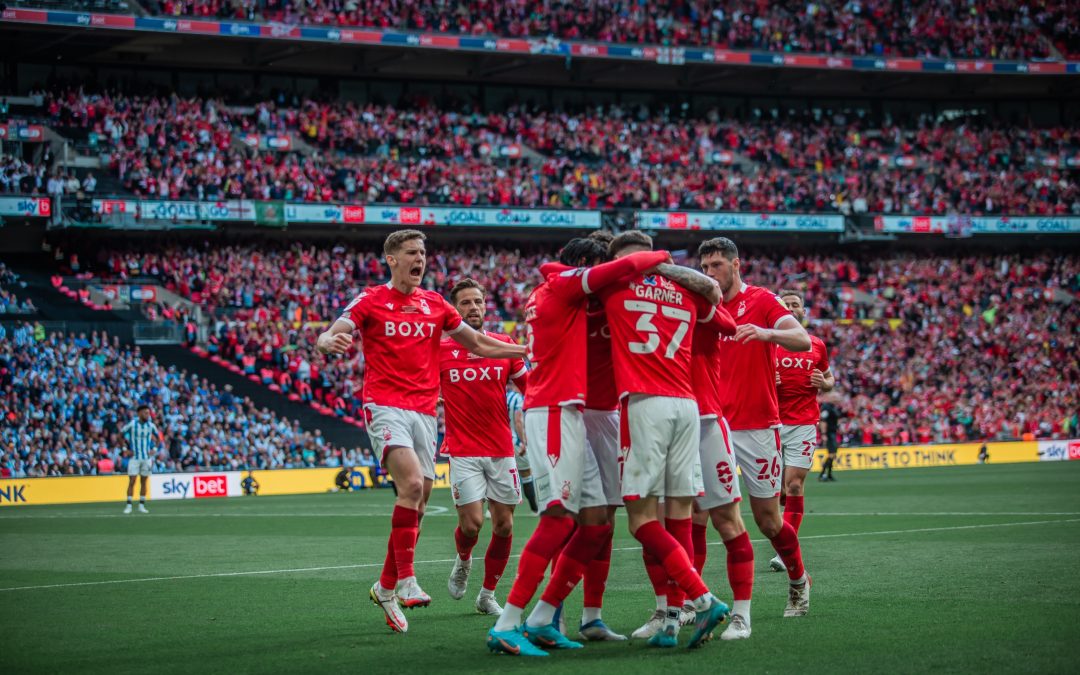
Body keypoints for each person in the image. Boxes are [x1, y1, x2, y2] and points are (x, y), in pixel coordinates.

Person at [317, 229, 526, 635]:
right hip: (384, 405)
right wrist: (328, 340)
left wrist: (524, 351)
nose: (420, 259)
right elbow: (338, 326)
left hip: (424, 413)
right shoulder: (372, 299)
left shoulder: (435, 304)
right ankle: (408, 579)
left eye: (423, 253)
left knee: (422, 498)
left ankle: (386, 586)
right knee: (411, 484)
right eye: (412, 253)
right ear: (392, 259)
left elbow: (480, 344)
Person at [487, 237, 675, 657]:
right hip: (553, 410)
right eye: (600, 263)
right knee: (557, 521)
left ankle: (542, 617)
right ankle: (508, 623)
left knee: (597, 523)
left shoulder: (553, 288)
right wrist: (665, 258)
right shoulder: (565, 284)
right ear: (586, 265)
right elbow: (621, 271)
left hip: (566, 410)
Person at [592, 231, 734, 649]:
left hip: (644, 404)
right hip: (686, 405)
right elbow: (722, 313)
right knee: (679, 516)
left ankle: (702, 598)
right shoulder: (684, 290)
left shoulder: (613, 284)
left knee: (640, 520)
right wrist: (677, 272)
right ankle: (672, 622)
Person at [700, 236, 813, 639]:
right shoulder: (703, 305)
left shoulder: (763, 300)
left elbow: (800, 339)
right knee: (703, 515)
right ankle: (690, 606)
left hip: (758, 426)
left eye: (716, 265)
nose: (710, 273)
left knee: (768, 520)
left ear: (736, 265)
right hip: (712, 424)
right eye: (705, 266)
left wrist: (766, 334)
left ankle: (798, 581)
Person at [440, 278, 529, 617]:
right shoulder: (440, 350)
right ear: (454, 310)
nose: (473, 308)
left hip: (500, 449)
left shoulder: (503, 344)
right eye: (465, 303)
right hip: (462, 450)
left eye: (477, 302)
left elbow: (528, 387)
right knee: (472, 525)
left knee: (504, 525)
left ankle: (487, 594)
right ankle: (463, 561)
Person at [769, 289, 834, 573]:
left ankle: (786, 551)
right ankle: (782, 507)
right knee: (773, 491)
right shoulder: (767, 343)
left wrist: (825, 382)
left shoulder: (816, 344)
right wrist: (768, 379)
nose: (792, 308)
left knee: (794, 484)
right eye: (786, 305)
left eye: (796, 304)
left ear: (803, 311)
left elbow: (829, 378)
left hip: (803, 423)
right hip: (768, 422)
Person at [121, 404, 161, 514]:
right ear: (139, 413)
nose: (147, 415)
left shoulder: (151, 426)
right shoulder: (133, 424)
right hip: (134, 457)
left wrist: (155, 449)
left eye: (148, 413)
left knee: (144, 481)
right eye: (145, 413)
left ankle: (141, 505)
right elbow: (121, 434)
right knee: (132, 481)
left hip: (146, 458)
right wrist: (125, 449)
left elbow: (158, 438)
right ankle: (129, 505)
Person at [507, 388, 535, 512]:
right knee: (526, 474)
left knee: (499, 476)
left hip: (500, 440)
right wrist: (523, 441)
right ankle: (535, 508)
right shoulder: (518, 398)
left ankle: (490, 510)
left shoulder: (502, 395)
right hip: (515, 441)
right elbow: (518, 421)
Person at [818, 396, 842, 481]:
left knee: (833, 454)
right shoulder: (826, 407)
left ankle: (828, 474)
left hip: (833, 433)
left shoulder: (833, 407)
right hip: (829, 433)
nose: (837, 399)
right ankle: (822, 474)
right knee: (831, 454)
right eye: (835, 397)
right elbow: (823, 421)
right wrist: (824, 434)